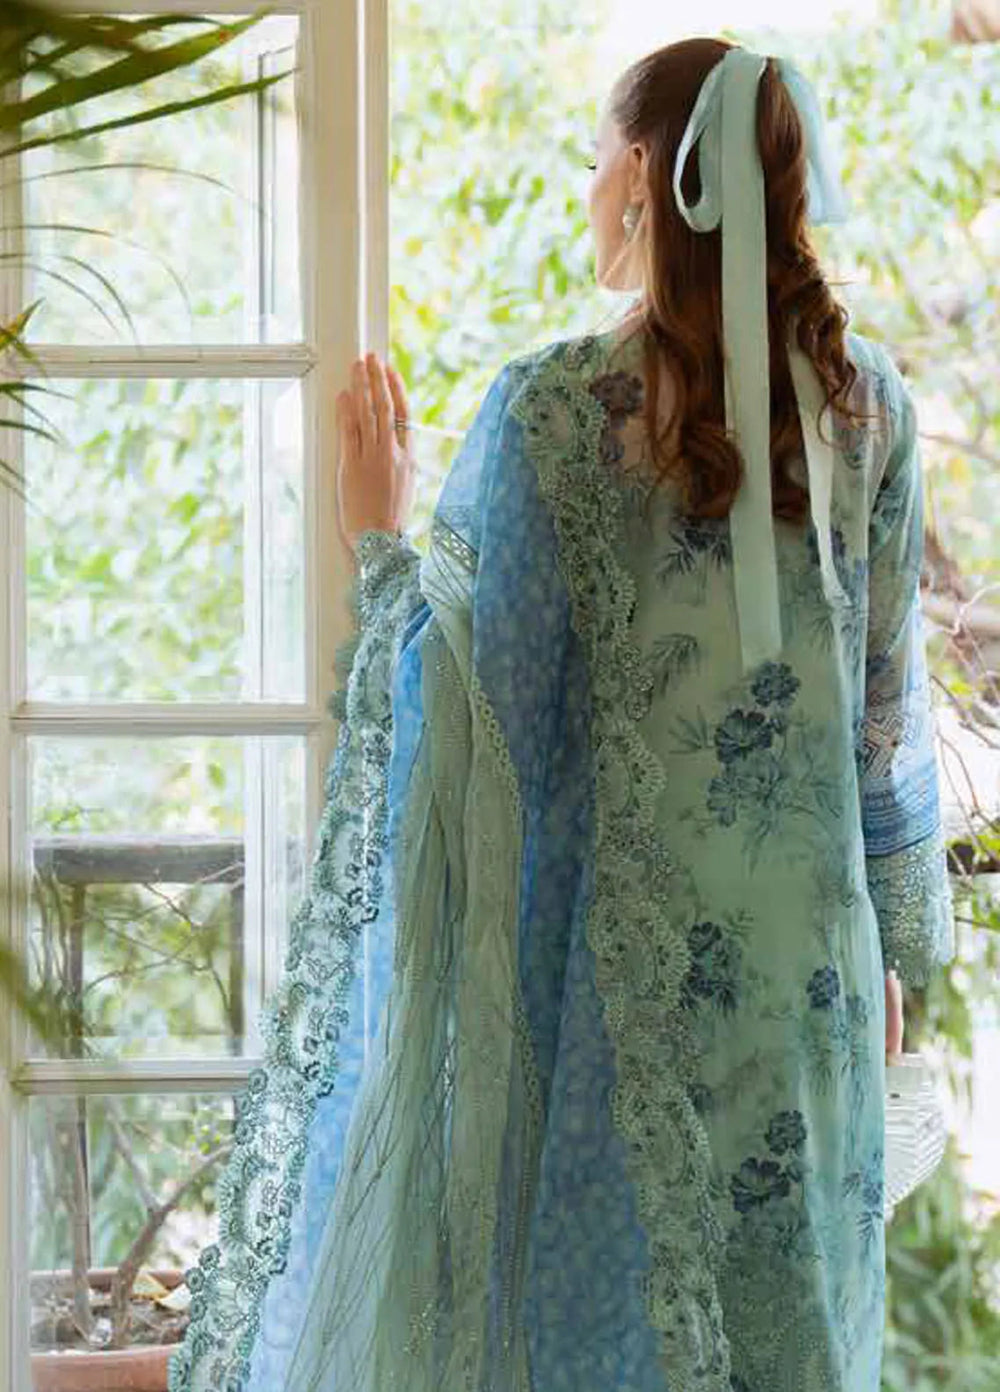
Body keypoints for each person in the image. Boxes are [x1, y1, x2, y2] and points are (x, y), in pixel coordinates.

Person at [168, 34, 955, 1392]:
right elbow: (884, 724)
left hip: (623, 1000)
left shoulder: (553, 414)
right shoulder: (868, 405)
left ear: (642, 173)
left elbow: (493, 723)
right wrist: (894, 950)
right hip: (811, 991)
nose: (591, 189)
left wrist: (380, 546)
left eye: (597, 159)